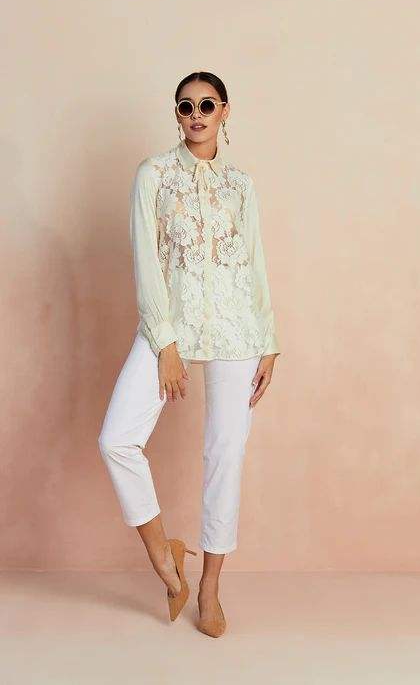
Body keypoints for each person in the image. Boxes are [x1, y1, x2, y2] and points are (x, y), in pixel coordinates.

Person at [98, 70, 281, 637]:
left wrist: (268, 341)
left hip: (236, 330)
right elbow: (146, 262)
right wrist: (166, 344)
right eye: (185, 106)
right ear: (176, 114)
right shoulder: (153, 175)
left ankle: (211, 587)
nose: (196, 114)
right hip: (170, 325)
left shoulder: (240, 185)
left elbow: (253, 263)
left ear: (225, 111)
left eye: (206, 104)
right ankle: (164, 554)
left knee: (225, 453)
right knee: (116, 439)